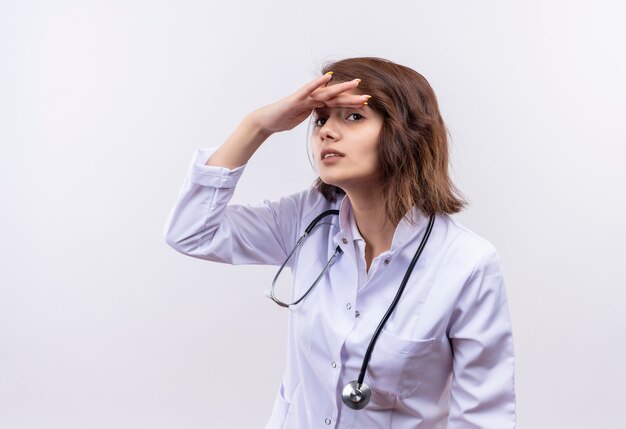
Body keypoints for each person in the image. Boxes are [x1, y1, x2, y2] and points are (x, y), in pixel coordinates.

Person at [164, 57, 516, 428]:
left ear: (405, 132)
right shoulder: (307, 220)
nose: (326, 132)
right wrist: (257, 126)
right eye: (320, 119)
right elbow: (191, 232)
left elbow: (483, 418)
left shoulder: (467, 265)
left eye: (352, 117)